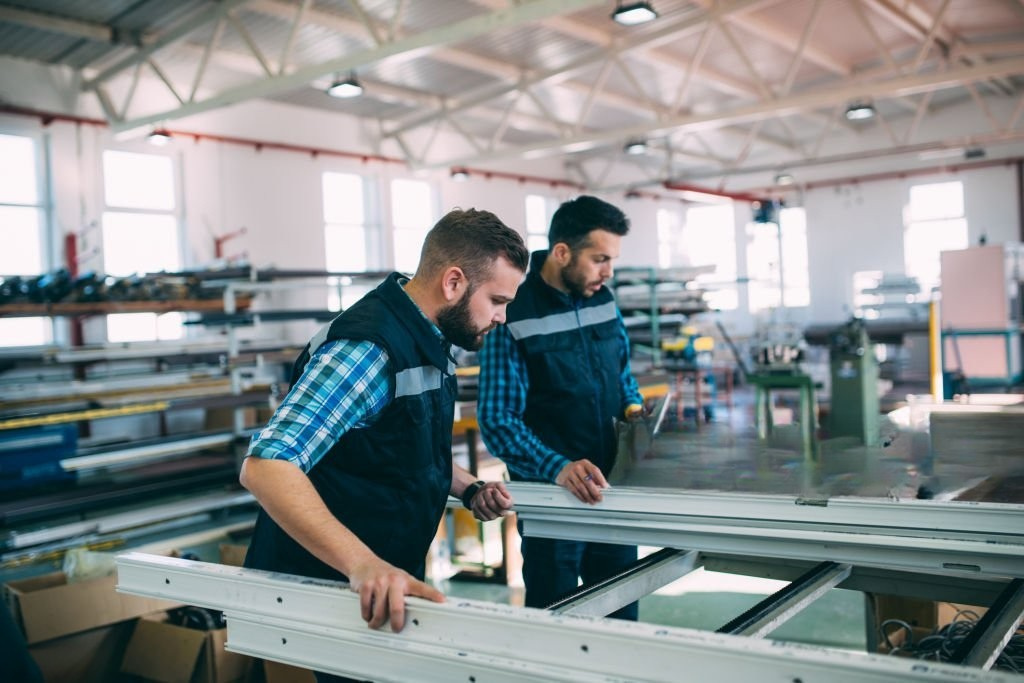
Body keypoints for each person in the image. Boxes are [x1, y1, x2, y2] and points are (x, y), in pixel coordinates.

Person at [241, 208, 529, 681]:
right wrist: (363, 565)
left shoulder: (430, 338)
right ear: (454, 282)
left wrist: (468, 487)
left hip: (378, 588)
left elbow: (399, 445)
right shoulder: (369, 348)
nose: (502, 317)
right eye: (497, 300)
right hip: (318, 595)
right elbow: (267, 464)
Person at [477, 195, 645, 620]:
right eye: (599, 258)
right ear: (562, 252)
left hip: (612, 494)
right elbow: (498, 420)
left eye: (613, 260)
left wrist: (634, 409)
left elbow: (622, 372)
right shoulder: (512, 311)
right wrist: (558, 467)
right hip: (553, 508)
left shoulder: (603, 299)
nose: (608, 272)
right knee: (556, 629)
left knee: (622, 621)